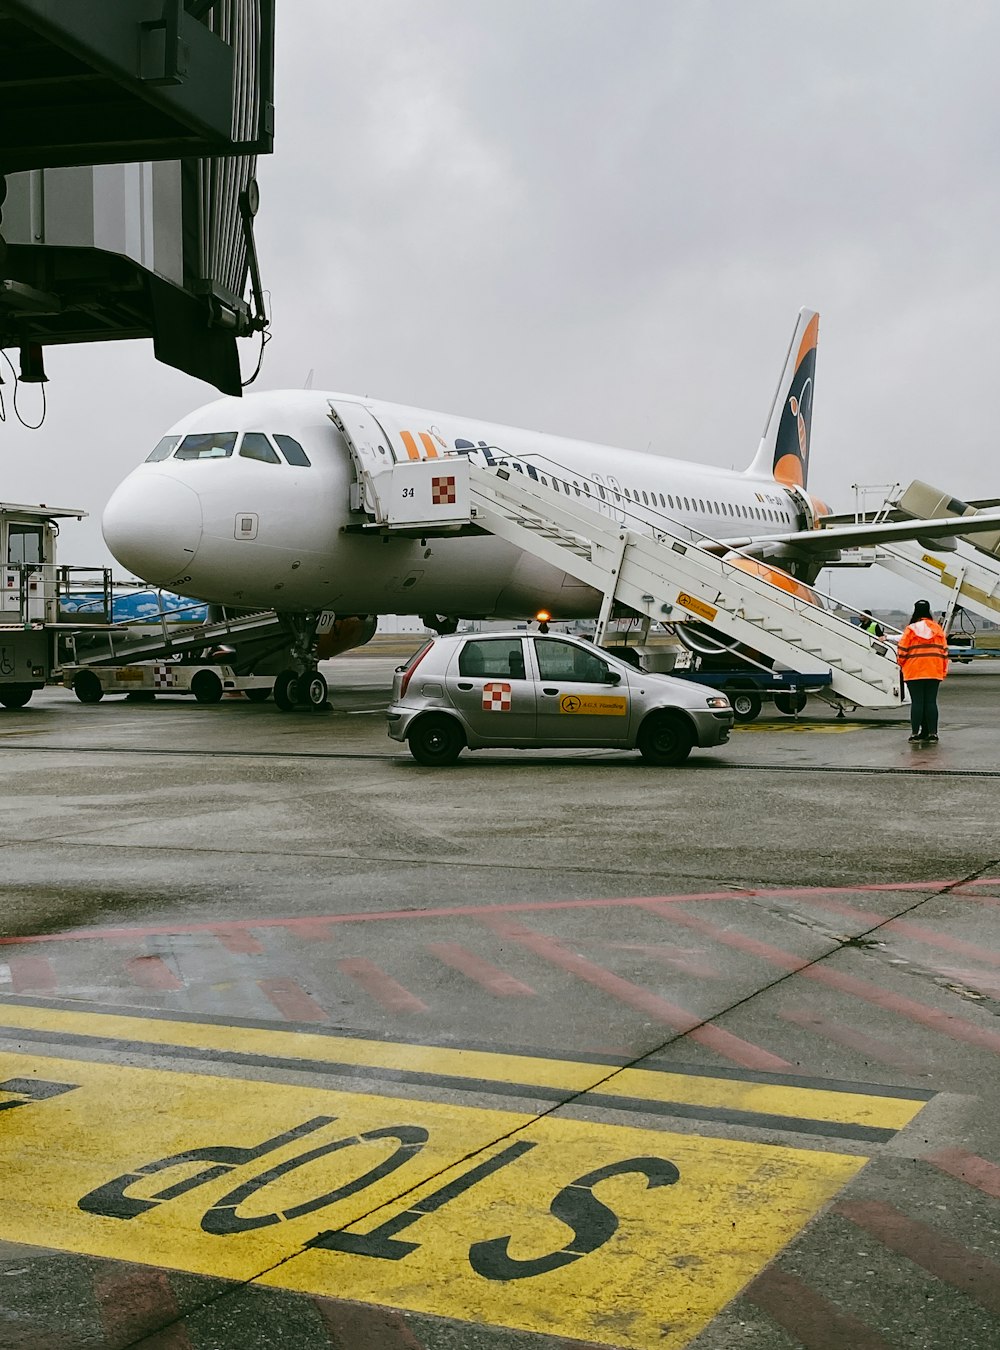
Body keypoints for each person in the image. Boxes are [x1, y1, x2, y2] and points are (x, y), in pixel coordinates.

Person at [897, 599, 949, 743]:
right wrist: (942, 671)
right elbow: (944, 652)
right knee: (931, 702)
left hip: (914, 671)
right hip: (934, 670)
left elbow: (902, 650)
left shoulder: (911, 629)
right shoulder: (937, 629)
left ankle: (915, 733)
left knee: (918, 703)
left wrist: (901, 664)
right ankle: (933, 733)